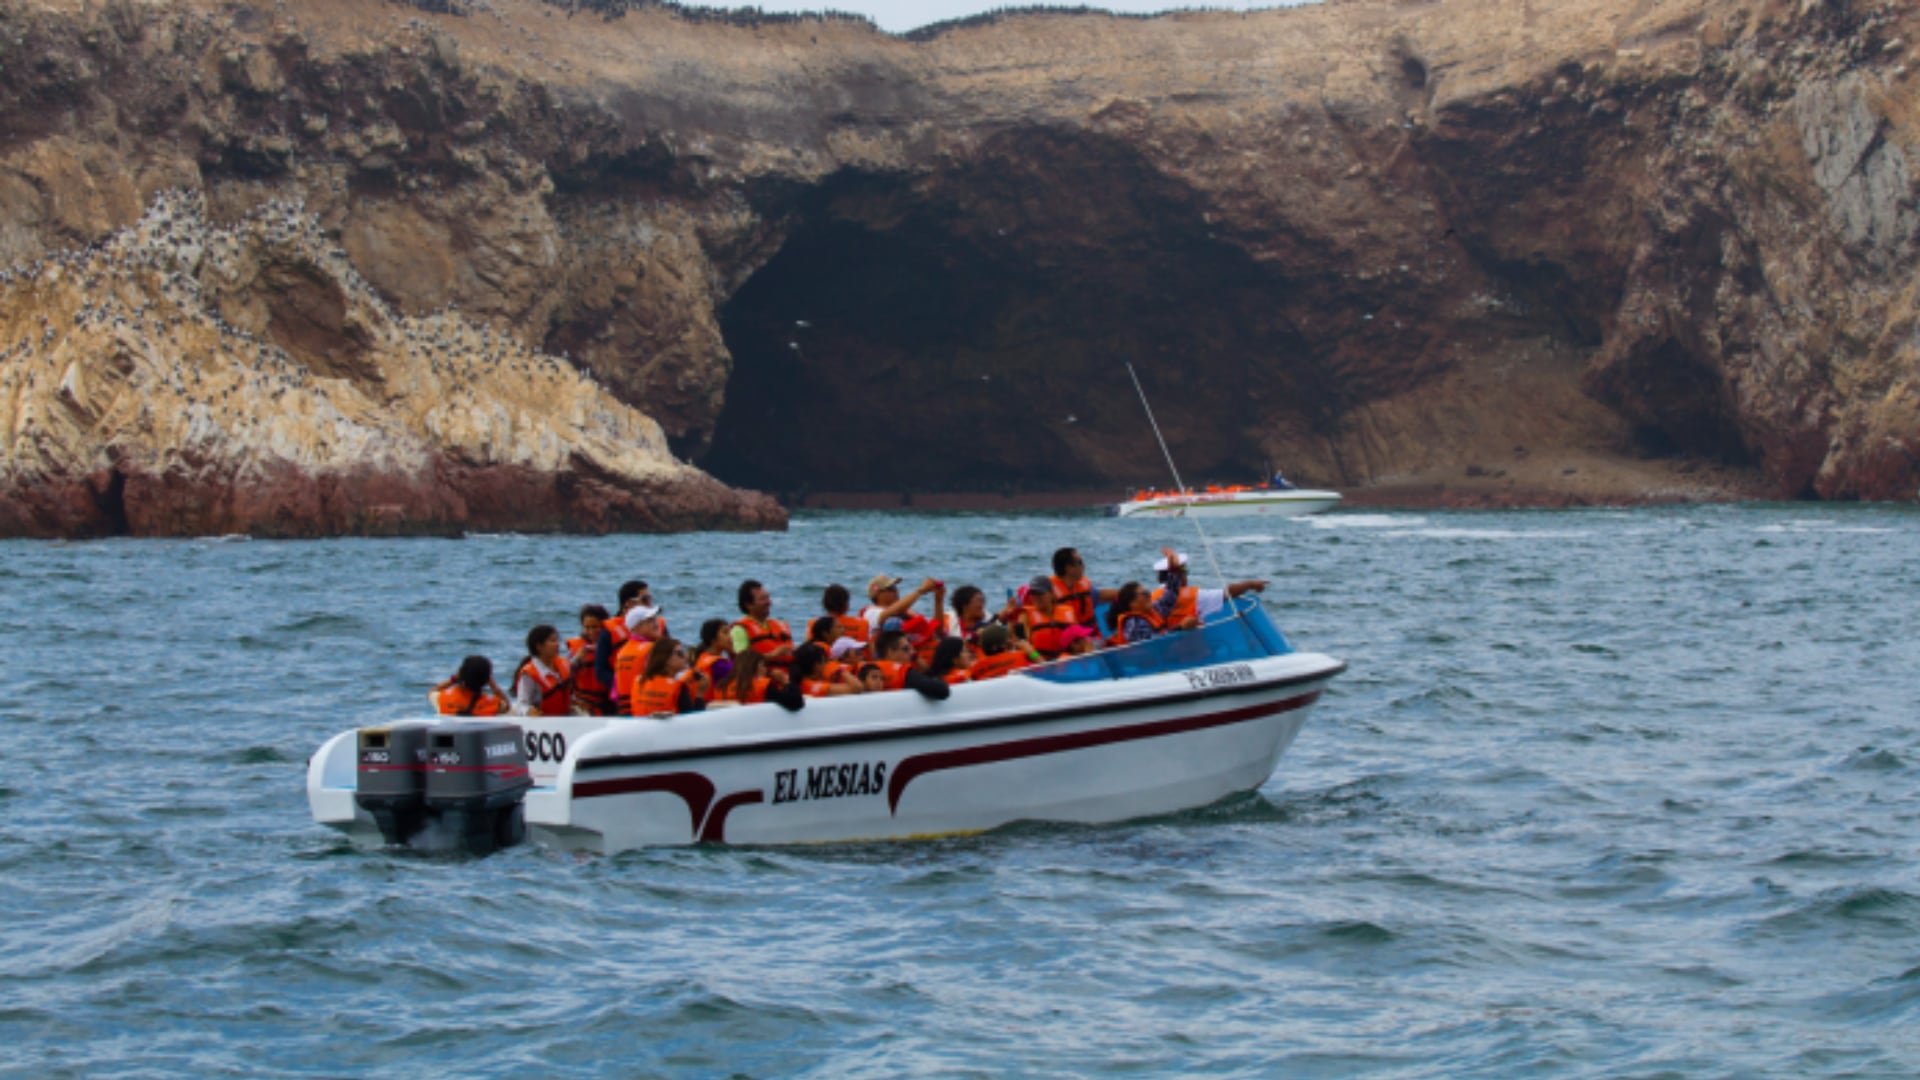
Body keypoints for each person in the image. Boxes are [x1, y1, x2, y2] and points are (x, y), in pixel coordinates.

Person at [1152, 549, 1268, 627]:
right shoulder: (1193, 595)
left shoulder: (1151, 598)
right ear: (1179, 575)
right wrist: (1251, 584)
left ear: (1159, 579)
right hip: (1194, 653)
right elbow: (1228, 593)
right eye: (1185, 571)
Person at [594, 580, 652, 703]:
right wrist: (622, 684)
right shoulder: (609, 632)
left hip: (651, 691)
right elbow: (600, 669)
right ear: (630, 603)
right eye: (646, 599)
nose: (650, 604)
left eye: (650, 599)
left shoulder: (657, 626)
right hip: (623, 695)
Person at [631, 637, 708, 716]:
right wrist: (700, 694)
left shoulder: (639, 681)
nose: (685, 657)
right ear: (666, 659)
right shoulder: (678, 687)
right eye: (680, 653)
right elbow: (693, 720)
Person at [730, 579, 795, 668]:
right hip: (762, 678)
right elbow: (742, 660)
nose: (769, 602)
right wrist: (773, 655)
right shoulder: (739, 629)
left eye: (768, 598)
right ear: (748, 605)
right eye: (762, 599)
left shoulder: (780, 625)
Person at [870, 629, 952, 699]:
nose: (911, 653)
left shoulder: (866, 669)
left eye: (911, 649)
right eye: (906, 649)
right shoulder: (903, 672)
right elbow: (943, 691)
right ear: (890, 652)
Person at [512, 624, 575, 716]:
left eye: (557, 640)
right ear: (539, 646)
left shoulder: (563, 664)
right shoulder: (529, 673)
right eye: (552, 641)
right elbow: (521, 704)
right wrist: (528, 711)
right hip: (543, 721)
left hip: (565, 717)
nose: (557, 644)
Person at [611, 603, 664, 710]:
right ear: (636, 627)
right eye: (650, 621)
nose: (656, 624)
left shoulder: (622, 652)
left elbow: (615, 693)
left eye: (655, 619)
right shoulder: (652, 649)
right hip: (647, 710)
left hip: (625, 711)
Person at [1048, 547, 1116, 630]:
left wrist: (1129, 594)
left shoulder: (1082, 587)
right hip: (1066, 636)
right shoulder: (1048, 593)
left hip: (1087, 631)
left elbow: (1100, 595)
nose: (1084, 566)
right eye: (1080, 562)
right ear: (1069, 568)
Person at [720, 649, 805, 711]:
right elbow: (796, 702)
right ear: (755, 667)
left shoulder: (721, 686)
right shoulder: (762, 685)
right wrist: (786, 681)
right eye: (763, 665)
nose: (766, 669)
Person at [1108, 576, 1186, 644]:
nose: (1149, 595)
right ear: (1132, 603)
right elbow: (1154, 643)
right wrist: (1180, 628)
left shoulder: (1151, 610)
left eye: (1148, 592)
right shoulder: (1134, 625)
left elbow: (1169, 598)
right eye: (1144, 594)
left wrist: (1174, 569)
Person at [567, 604, 612, 715]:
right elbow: (564, 675)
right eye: (587, 627)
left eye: (595, 627)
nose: (591, 631)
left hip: (607, 703)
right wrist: (576, 660)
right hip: (581, 704)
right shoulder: (575, 648)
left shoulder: (613, 646)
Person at [1013, 576, 1073, 656]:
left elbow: (1078, 641)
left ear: (1051, 593)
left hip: (1066, 661)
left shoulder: (1067, 612)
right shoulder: (1025, 616)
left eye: (1040, 593)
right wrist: (1037, 659)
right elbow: (1025, 650)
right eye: (1033, 594)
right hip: (1038, 663)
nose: (1036, 597)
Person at [862, 575, 942, 635]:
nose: (896, 591)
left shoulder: (907, 612)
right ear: (878, 594)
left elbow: (937, 630)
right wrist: (921, 591)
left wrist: (938, 601)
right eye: (891, 588)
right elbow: (890, 612)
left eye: (896, 588)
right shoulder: (871, 613)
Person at [433, 655, 508, 716]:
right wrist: (493, 686)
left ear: (461, 673)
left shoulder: (443, 698)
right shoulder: (491, 704)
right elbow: (507, 705)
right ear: (486, 679)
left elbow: (434, 690)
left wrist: (454, 679)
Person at [967, 623, 1034, 681]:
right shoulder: (1021, 656)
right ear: (1005, 644)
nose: (1011, 640)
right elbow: (1042, 667)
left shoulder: (975, 669)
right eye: (1008, 638)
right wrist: (1032, 652)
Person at [792, 642, 861, 696]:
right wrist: (840, 669)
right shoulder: (810, 685)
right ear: (816, 666)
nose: (827, 664)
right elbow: (857, 687)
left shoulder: (799, 680)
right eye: (825, 661)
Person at [693, 618, 734, 702]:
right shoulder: (718, 664)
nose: (731, 637)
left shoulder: (703, 657)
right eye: (725, 633)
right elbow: (745, 674)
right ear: (713, 639)